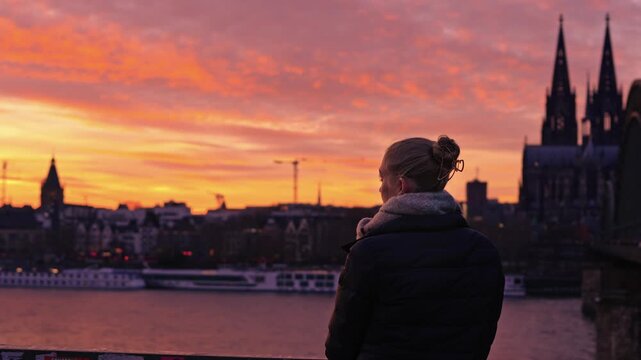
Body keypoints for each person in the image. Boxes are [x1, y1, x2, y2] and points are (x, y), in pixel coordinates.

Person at [325, 136, 504, 360]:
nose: (380, 188)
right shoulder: (483, 251)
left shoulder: (369, 253)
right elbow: (482, 337)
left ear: (401, 186)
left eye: (382, 179)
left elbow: (340, 348)